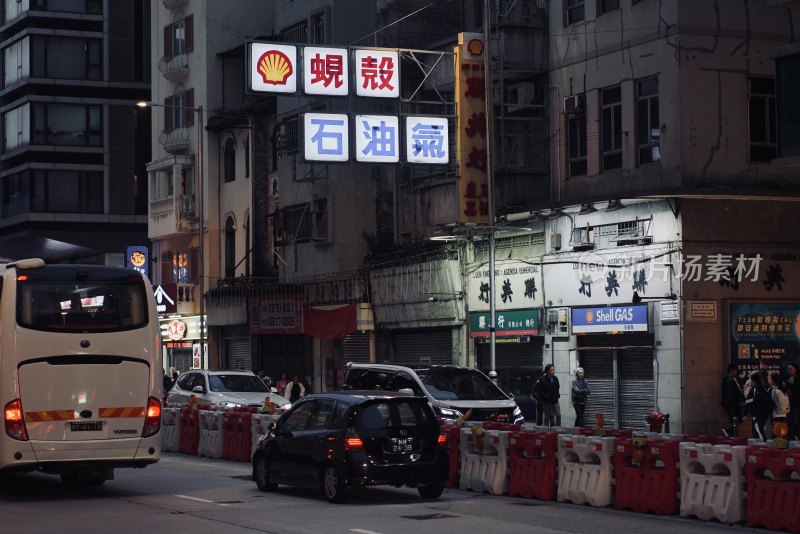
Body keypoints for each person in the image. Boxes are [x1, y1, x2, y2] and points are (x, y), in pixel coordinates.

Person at [745, 370, 773, 441]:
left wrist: (745, 415)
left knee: (759, 433)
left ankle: (764, 447)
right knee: (762, 432)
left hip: (756, 415)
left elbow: (748, 402)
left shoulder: (753, 389)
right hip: (765, 415)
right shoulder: (764, 389)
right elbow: (770, 402)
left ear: (753, 380)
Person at [721, 364, 745, 437]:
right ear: (732, 371)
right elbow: (737, 391)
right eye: (735, 371)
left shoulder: (725, 380)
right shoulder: (732, 380)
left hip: (728, 404)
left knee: (733, 420)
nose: (736, 373)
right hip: (734, 404)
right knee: (738, 419)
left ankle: (731, 435)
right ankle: (729, 430)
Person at [787, 362, 800, 440]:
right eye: (788, 368)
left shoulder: (798, 378)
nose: (789, 370)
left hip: (796, 404)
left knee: (797, 421)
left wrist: (787, 384)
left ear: (796, 369)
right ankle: (792, 436)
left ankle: (798, 436)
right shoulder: (788, 378)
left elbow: (797, 387)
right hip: (788, 404)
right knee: (789, 421)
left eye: (791, 368)